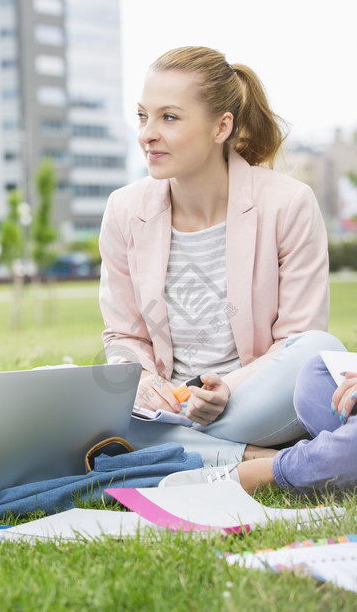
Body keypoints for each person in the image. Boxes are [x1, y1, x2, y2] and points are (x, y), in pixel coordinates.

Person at [99, 45, 344, 467]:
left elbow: (297, 339)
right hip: (167, 407)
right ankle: (255, 458)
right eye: (143, 116)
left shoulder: (288, 203)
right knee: (52, 394)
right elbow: (124, 337)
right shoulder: (124, 210)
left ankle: (169, 449)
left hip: (252, 397)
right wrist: (141, 381)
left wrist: (226, 389)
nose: (147, 134)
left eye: (169, 117)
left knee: (317, 350)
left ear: (221, 127)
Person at [161, 354, 357, 493]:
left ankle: (270, 471)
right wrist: (144, 375)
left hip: (250, 397)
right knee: (316, 372)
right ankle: (334, 457)